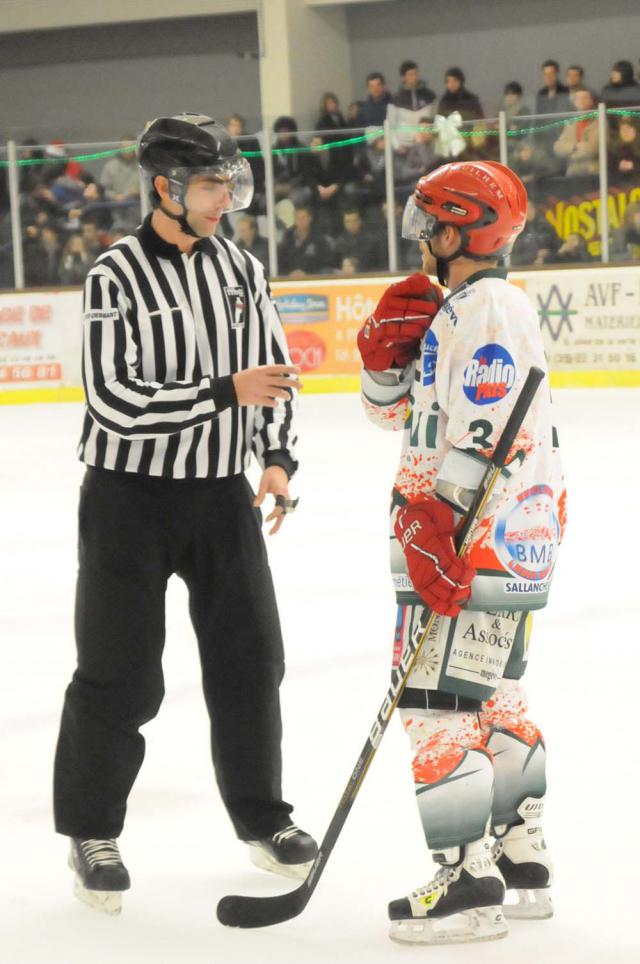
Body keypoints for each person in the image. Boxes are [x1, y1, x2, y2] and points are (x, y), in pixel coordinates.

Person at [52, 113, 317, 915]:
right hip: (127, 500)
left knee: (251, 662)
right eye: (210, 184)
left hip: (218, 498)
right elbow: (114, 400)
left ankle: (264, 821)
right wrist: (219, 394)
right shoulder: (113, 277)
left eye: (229, 184)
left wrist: (274, 459)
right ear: (165, 186)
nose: (224, 199)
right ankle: (91, 832)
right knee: (119, 674)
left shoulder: (241, 268)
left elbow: (270, 376)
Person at [357, 160, 566, 945]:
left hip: (463, 544)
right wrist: (383, 363)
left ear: (459, 228)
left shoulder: (484, 310)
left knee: (435, 708)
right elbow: (408, 418)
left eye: (429, 222)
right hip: (503, 541)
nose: (420, 236)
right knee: (494, 701)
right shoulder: (466, 307)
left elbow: (488, 424)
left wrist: (435, 523)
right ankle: (521, 859)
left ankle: (466, 883)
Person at [553, 88, 599, 176]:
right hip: (573, 172)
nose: (581, 101)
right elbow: (557, 147)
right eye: (578, 98)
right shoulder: (571, 123)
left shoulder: (598, 121)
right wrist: (574, 146)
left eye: (584, 98)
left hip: (593, 171)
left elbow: (594, 148)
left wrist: (570, 153)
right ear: (575, 102)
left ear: (591, 101)